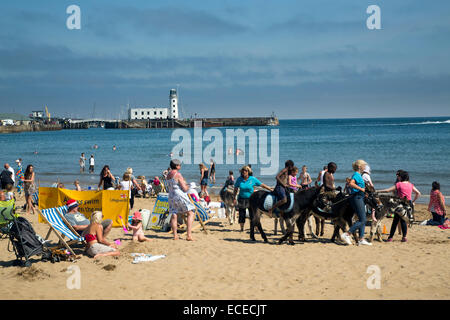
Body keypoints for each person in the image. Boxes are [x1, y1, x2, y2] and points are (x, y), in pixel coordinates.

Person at [379, 170, 421, 242]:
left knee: (395, 221)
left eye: (399, 176)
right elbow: (418, 193)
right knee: (403, 220)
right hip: (408, 204)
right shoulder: (410, 185)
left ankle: (390, 237)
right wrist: (413, 201)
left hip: (400, 204)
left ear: (401, 177)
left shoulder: (399, 184)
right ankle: (404, 237)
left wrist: (378, 191)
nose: (398, 178)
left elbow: (387, 190)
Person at [340, 160, 373, 246]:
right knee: (363, 219)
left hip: (359, 197)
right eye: (364, 166)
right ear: (359, 167)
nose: (365, 167)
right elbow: (351, 183)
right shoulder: (356, 175)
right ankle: (347, 234)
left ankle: (361, 239)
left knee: (362, 218)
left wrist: (363, 192)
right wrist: (361, 189)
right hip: (357, 198)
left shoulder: (358, 175)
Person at [233, 165, 273, 232]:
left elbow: (261, 184)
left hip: (251, 199)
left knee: (253, 214)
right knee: (241, 214)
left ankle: (255, 227)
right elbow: (235, 189)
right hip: (241, 198)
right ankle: (242, 228)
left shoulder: (252, 179)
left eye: (246, 171)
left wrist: (270, 189)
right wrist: (234, 197)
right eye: (243, 171)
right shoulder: (239, 179)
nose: (244, 172)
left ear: (248, 172)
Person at [166, 159, 196, 241]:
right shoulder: (178, 174)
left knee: (174, 214)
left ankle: (175, 235)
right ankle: (189, 235)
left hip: (171, 195)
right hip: (178, 194)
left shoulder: (168, 174)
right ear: (176, 166)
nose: (180, 166)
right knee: (191, 211)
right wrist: (189, 185)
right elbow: (185, 189)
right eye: (179, 165)